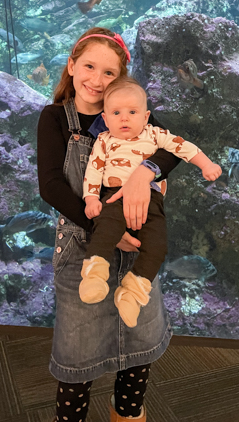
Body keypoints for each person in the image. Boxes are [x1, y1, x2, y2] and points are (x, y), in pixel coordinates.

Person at [37, 27, 181, 422]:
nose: (97, 81)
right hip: (83, 248)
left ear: (121, 79)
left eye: (109, 73)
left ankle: (128, 414)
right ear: (71, 66)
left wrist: (145, 172)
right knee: (77, 358)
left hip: (136, 247)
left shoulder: (130, 111)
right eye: (89, 67)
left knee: (138, 348)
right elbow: (51, 185)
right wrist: (106, 230)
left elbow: (172, 149)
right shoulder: (55, 118)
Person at [80, 76, 222, 328]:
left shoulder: (155, 134)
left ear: (146, 117)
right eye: (116, 113)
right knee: (107, 229)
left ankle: (132, 294)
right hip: (114, 196)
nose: (124, 118)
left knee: (157, 247)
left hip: (152, 200)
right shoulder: (103, 140)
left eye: (132, 112)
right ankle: (94, 275)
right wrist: (91, 198)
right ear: (105, 118)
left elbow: (182, 147)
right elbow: (94, 170)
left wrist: (206, 164)